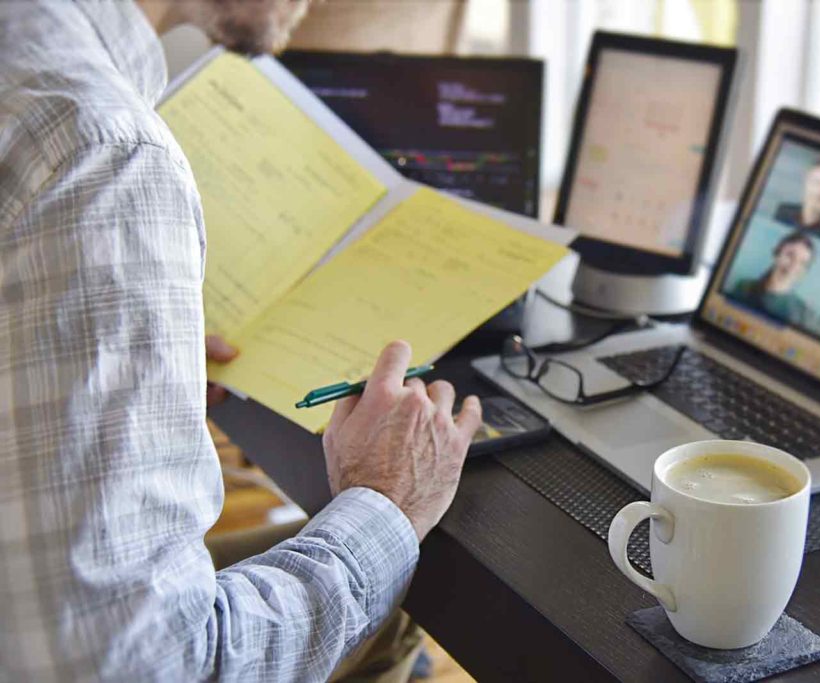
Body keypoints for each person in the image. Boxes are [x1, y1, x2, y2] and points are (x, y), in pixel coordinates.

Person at [0, 1, 483, 681]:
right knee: (396, 580)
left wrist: (111, 355)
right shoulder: (104, 151)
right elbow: (134, 669)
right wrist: (383, 502)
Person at [731, 233, 816, 326]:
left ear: (804, 272)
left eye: (802, 263)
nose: (793, 266)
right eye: (790, 255)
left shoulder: (802, 312)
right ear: (776, 254)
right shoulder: (744, 288)